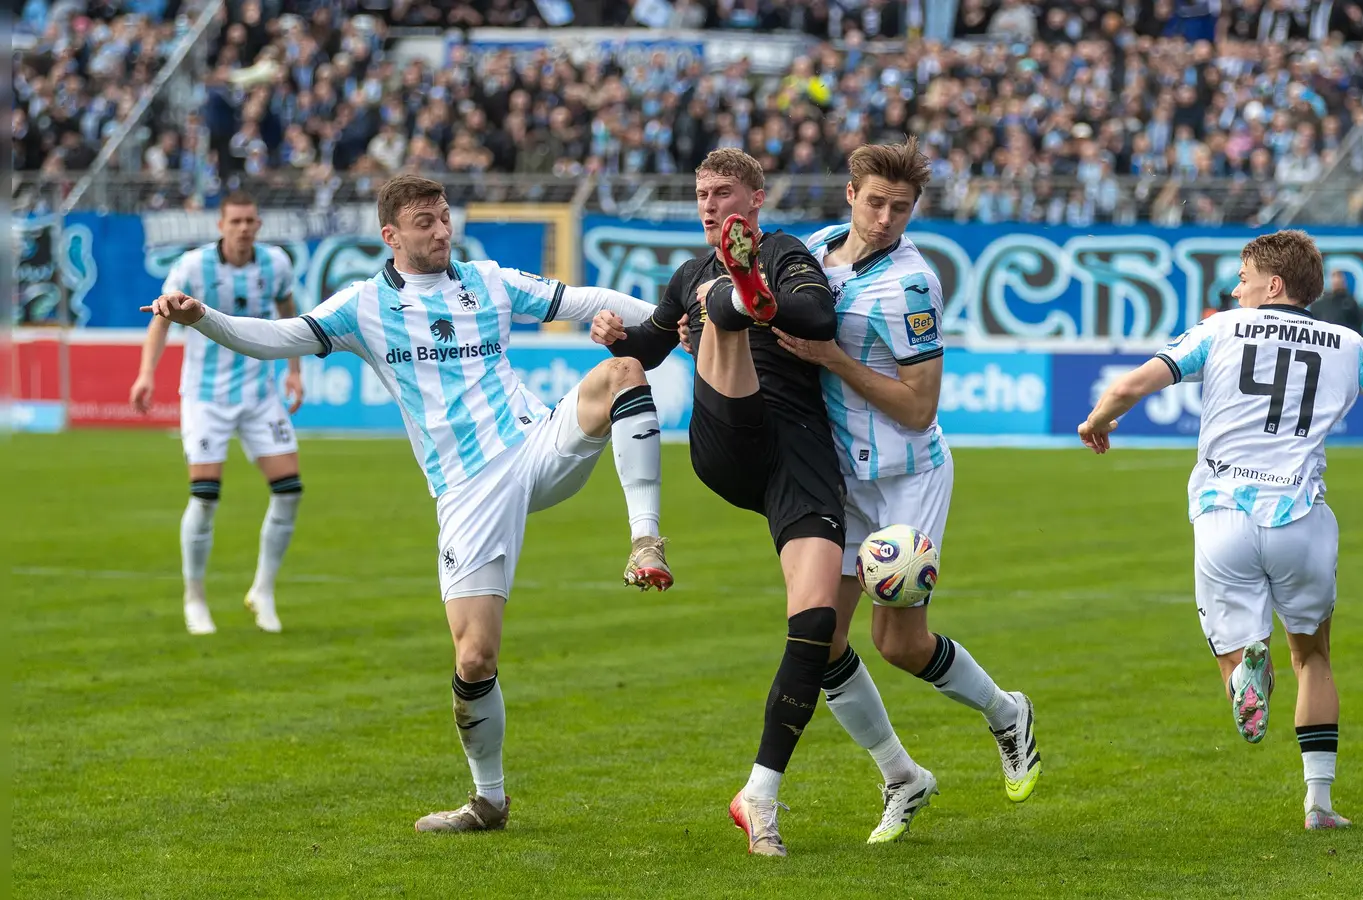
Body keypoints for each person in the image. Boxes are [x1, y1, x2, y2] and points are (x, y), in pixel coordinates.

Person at [142, 174, 674, 833]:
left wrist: (664, 322)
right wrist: (204, 320)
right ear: (391, 235)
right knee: (474, 659)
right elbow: (277, 335)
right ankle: (488, 801)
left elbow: (585, 296)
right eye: (425, 221)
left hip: (534, 443)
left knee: (624, 370)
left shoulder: (489, 281)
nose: (442, 230)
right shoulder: (363, 307)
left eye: (445, 217)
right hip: (467, 489)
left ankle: (646, 539)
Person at [1077, 230, 1363, 829]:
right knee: (1314, 658)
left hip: (1225, 512)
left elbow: (1129, 386)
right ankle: (1320, 803)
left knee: (1238, 653)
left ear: (1272, 285)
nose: (1235, 287)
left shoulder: (1220, 328)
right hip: (1301, 518)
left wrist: (1098, 420)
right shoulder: (1346, 344)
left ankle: (1245, 674)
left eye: (1243, 277)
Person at [773, 139, 1038, 845]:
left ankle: (1007, 713)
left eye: (902, 207)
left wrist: (830, 356)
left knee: (897, 643)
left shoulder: (911, 287)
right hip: (841, 474)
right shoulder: (816, 248)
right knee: (819, 635)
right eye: (876, 202)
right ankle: (901, 776)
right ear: (850, 195)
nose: (887, 217)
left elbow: (920, 406)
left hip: (906, 476)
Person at [591, 148, 843, 857]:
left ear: (756, 199)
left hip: (797, 454)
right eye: (701, 194)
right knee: (717, 312)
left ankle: (759, 795)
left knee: (818, 624)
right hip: (729, 442)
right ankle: (740, 302)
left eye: (723, 192)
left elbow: (817, 318)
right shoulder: (690, 276)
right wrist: (617, 335)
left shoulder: (790, 252)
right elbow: (648, 346)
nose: (708, 204)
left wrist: (765, 296)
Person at [129, 192, 305, 636]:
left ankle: (262, 591)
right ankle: (195, 597)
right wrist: (146, 374)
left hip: (259, 393)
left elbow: (288, 311)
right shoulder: (193, 266)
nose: (244, 228)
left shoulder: (276, 265)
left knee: (289, 490)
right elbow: (162, 317)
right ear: (221, 226)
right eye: (236, 221)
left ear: (258, 224)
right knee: (205, 497)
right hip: (207, 397)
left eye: (250, 220)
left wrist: (294, 370)